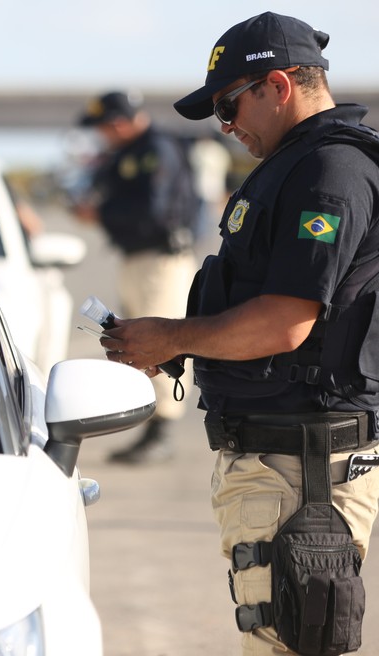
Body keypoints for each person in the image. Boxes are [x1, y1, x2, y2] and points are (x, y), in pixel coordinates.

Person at [98, 12, 379, 654]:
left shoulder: (329, 172)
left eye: (228, 106)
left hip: (303, 468)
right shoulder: (295, 165)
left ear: (277, 86)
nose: (226, 128)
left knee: (288, 645)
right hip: (284, 457)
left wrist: (173, 337)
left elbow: (286, 320)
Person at [72, 89, 200, 464]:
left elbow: (154, 211)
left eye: (104, 127)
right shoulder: (128, 151)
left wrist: (99, 215)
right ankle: (151, 427)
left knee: (161, 341)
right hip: (138, 258)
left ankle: (162, 431)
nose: (102, 135)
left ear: (118, 122)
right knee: (136, 343)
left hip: (161, 260)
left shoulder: (155, 148)